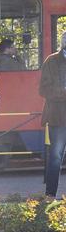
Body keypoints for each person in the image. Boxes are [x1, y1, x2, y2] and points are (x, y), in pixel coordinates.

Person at [39, 32, 66, 198]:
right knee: (55, 157)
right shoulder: (51, 61)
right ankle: (50, 195)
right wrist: (64, 92)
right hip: (58, 117)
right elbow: (43, 90)